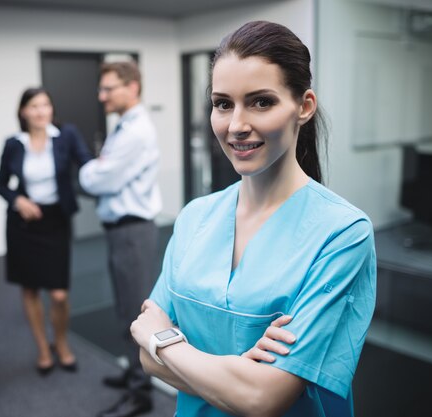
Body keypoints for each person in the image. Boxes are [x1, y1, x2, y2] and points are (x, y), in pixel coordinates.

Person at [130, 21, 377, 417]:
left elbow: (262, 398)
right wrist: (237, 370)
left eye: (261, 102)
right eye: (223, 103)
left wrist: (164, 341)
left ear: (304, 106)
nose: (236, 125)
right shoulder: (195, 217)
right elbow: (146, 361)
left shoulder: (343, 233)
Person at [79, 61, 162, 417]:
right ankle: (132, 372)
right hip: (121, 232)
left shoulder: (136, 131)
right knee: (124, 308)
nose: (102, 96)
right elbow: (102, 171)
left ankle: (141, 394)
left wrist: (91, 169)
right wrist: (98, 167)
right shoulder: (123, 126)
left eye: (108, 88)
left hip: (132, 232)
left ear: (132, 87)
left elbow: (100, 180)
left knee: (134, 311)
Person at [0, 87, 92, 375]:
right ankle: (42, 348)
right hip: (23, 225)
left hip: (55, 220)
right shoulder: (13, 143)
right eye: (34, 106)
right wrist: (18, 200)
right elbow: (0, 184)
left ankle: (60, 342)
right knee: (30, 290)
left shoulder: (66, 135)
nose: (40, 111)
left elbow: (87, 165)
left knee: (59, 294)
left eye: (45, 105)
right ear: (23, 111)